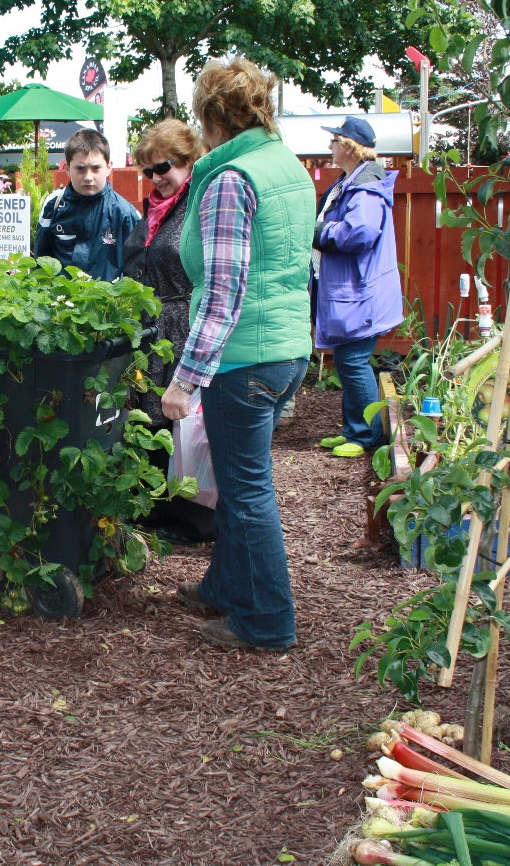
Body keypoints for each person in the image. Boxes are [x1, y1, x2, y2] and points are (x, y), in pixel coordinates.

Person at [160, 58, 314, 651]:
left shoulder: (232, 180)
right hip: (285, 351)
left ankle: (268, 622)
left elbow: (223, 295)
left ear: (211, 118)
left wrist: (185, 381)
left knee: (247, 490)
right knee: (238, 479)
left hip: (244, 358)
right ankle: (224, 587)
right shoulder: (288, 168)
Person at [123, 119, 215, 546]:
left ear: (187, 162)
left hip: (183, 323)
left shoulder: (198, 204)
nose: (156, 178)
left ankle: (194, 520)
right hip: (152, 327)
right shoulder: (155, 209)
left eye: (164, 168)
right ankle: (157, 508)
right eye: (148, 171)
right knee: (153, 418)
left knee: (185, 424)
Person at [311, 117, 403, 459]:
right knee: (350, 361)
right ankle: (354, 429)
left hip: (362, 294)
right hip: (354, 293)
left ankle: (367, 436)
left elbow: (359, 232)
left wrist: (318, 233)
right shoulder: (351, 182)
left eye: (334, 141)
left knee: (352, 361)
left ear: (349, 146)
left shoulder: (366, 187)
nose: (330, 147)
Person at [34, 128, 141, 281]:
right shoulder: (54, 205)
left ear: (108, 167)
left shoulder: (124, 213)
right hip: (61, 301)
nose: (88, 177)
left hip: (107, 302)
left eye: (96, 168)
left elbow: (137, 270)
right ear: (67, 168)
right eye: (80, 169)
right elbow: (41, 261)